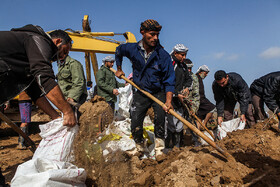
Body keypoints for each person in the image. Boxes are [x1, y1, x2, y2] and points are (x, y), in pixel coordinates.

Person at [115, 19, 175, 159]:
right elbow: (119, 50)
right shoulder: (132, 49)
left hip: (158, 92)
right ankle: (139, 148)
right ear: (142, 32)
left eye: (157, 35)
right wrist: (118, 69)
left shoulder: (163, 55)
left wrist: (168, 101)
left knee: (160, 118)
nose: (155, 38)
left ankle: (159, 150)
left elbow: (169, 80)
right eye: (152, 34)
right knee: (135, 119)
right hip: (140, 91)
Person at [0, 24, 76, 127]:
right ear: (58, 41)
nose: (62, 57)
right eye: (64, 51)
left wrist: (56, 118)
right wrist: (67, 111)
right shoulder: (38, 40)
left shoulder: (25, 58)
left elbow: (35, 92)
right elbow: (44, 76)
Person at [165, 44, 191, 148]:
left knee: (178, 125)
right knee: (168, 124)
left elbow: (189, 79)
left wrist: (187, 88)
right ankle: (167, 147)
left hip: (179, 101)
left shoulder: (183, 66)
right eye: (182, 55)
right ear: (175, 53)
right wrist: (176, 94)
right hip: (168, 99)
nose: (184, 57)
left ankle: (177, 146)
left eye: (185, 55)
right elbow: (166, 82)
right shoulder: (170, 64)